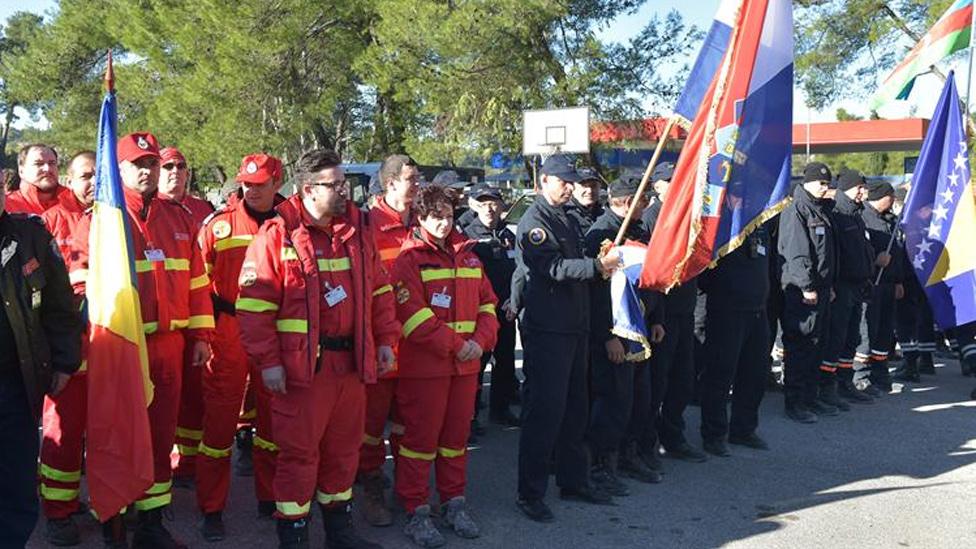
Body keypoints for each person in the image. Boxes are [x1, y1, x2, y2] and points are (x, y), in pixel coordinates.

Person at [237, 149, 398, 549]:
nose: (345, 191)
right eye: (335, 184)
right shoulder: (276, 236)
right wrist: (268, 363)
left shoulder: (357, 233)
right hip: (304, 371)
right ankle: (293, 537)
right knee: (299, 457)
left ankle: (339, 534)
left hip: (351, 366)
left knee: (344, 453)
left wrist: (386, 341)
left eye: (344, 183)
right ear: (308, 189)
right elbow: (254, 308)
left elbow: (380, 293)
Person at [70, 132, 215, 548]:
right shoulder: (101, 220)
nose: (148, 170)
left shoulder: (179, 218)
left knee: (160, 439)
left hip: (169, 347)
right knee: (116, 437)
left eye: (152, 162)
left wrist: (201, 334)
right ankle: (113, 524)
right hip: (121, 349)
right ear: (118, 170)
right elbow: (79, 285)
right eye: (138, 164)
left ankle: (151, 527)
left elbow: (198, 283)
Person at [391, 185, 498, 547]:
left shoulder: (468, 255)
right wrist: (460, 347)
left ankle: (454, 503)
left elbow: (488, 305)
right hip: (426, 370)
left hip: (464, 368)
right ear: (420, 218)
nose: (443, 223)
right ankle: (416, 509)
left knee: (455, 441)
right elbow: (413, 318)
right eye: (435, 217)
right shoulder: (409, 260)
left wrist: (480, 343)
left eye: (448, 216)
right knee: (419, 442)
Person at [514, 154, 619, 523]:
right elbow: (551, 268)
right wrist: (595, 268)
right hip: (548, 332)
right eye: (563, 181)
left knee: (576, 409)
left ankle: (574, 480)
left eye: (571, 182)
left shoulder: (566, 218)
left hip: (574, 329)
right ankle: (530, 492)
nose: (569, 187)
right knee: (545, 414)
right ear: (543, 181)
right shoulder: (535, 222)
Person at [195, 153, 286, 540]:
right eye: (247, 184)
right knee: (218, 424)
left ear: (277, 183)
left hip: (276, 331)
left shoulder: (291, 225)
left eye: (260, 184)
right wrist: (204, 335)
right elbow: (198, 284)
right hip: (229, 329)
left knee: (273, 421)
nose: (252, 190)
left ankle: (270, 496)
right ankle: (211, 508)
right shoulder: (218, 226)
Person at [0, 171, 83, 549]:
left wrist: (65, 361)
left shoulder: (31, 236)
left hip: (14, 385)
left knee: (16, 484)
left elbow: (59, 307)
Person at [584, 177, 663, 494]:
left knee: (639, 399)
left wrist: (657, 318)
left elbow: (649, 280)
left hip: (641, 330)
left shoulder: (639, 231)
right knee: (613, 401)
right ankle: (603, 463)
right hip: (615, 335)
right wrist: (606, 336)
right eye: (643, 201)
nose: (647, 206)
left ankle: (629, 453)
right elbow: (597, 294)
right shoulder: (601, 235)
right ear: (628, 202)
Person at [358, 154, 421, 527]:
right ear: (390, 182)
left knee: (408, 423)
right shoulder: (367, 227)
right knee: (370, 424)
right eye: (411, 178)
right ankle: (370, 485)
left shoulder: (426, 222)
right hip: (380, 344)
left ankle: (407, 487)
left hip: (418, 346)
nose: (417, 185)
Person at [37, 151, 95, 546]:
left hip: (113, 346)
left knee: (107, 431)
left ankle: (106, 502)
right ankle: (58, 513)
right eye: (85, 176)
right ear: (69, 180)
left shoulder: (118, 221)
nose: (93, 182)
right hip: (70, 348)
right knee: (64, 432)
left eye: (99, 175)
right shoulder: (50, 222)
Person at [697, 185, 774, 457]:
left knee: (754, 374)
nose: (745, 198)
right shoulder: (719, 226)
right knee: (720, 373)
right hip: (726, 310)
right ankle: (714, 433)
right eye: (738, 193)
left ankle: (744, 428)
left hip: (757, 309)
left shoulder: (759, 224)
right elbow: (703, 273)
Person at [640, 162, 707, 465]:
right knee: (658, 381)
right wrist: (658, 317)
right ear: (657, 186)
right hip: (663, 312)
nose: (677, 184)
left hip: (686, 308)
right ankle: (649, 440)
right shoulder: (653, 218)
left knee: (682, 378)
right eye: (670, 180)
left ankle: (674, 435)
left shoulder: (686, 216)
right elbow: (652, 271)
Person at [159, 146, 217, 487]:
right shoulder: (146, 211)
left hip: (195, 316)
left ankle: (189, 462)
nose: (174, 172)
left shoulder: (202, 210)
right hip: (160, 324)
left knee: (195, 396)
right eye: (167, 166)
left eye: (181, 166)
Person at [778, 162, 837, 424]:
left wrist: (828, 286)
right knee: (801, 345)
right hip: (803, 291)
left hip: (822, 289)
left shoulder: (820, 210)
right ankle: (795, 401)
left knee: (817, 345)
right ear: (808, 182)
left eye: (828, 184)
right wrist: (807, 286)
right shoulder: (797, 210)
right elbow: (797, 251)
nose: (826, 188)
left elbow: (827, 254)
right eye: (821, 183)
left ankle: (810, 397)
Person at [463, 183, 520, 427]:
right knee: (477, 366)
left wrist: (514, 300)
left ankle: (500, 409)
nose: (489, 208)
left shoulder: (508, 234)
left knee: (505, 363)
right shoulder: (466, 236)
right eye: (483, 202)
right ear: (474, 205)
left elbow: (520, 270)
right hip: (480, 312)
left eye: (493, 202)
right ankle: (470, 416)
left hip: (506, 309)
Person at [819, 170, 875, 409]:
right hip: (841, 287)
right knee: (836, 338)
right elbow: (832, 255)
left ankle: (845, 382)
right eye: (858, 188)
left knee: (852, 337)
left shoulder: (856, 215)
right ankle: (826, 386)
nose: (863, 192)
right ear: (846, 189)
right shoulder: (836, 214)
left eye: (864, 188)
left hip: (857, 287)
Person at [860, 181, 908, 387]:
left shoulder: (889, 220)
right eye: (890, 197)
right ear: (883, 196)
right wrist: (874, 261)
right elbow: (857, 253)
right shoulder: (864, 218)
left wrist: (898, 280)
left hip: (889, 283)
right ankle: (861, 374)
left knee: (884, 331)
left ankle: (881, 373)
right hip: (872, 283)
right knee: (867, 332)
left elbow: (897, 253)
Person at [8, 144, 73, 215]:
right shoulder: (6, 205)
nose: (47, 169)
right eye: (39, 164)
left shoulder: (76, 202)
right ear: (21, 171)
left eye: (52, 163)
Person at [563, 166, 604, 234]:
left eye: (593, 186)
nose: (589, 190)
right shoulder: (565, 215)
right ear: (572, 187)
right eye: (584, 186)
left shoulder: (605, 215)